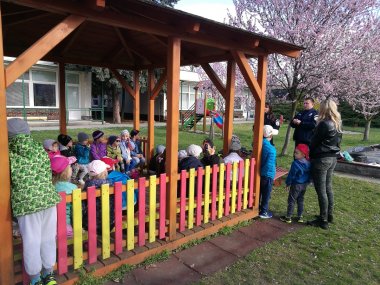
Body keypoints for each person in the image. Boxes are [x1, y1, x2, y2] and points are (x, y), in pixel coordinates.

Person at [7, 118, 61, 285]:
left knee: (32, 240)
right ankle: (49, 274)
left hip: (27, 203)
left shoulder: (7, 153)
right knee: (47, 237)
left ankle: (35, 278)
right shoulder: (39, 149)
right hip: (47, 199)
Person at [307, 99, 342, 230]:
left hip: (322, 158)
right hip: (333, 157)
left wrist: (310, 152)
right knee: (328, 187)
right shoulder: (338, 123)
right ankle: (329, 215)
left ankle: (323, 219)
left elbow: (314, 142)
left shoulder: (324, 124)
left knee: (321, 190)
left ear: (324, 109)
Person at [82, 160, 115, 235]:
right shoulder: (110, 183)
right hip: (110, 222)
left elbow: (83, 205)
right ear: (104, 172)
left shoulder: (88, 185)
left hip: (90, 224)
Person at [280, 144, 311, 224]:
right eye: (295, 152)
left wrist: (288, 183)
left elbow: (291, 175)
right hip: (304, 185)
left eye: (297, 153)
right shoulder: (308, 163)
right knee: (300, 200)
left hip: (296, 185)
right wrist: (308, 182)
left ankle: (288, 217)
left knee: (291, 200)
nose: (294, 154)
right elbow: (310, 174)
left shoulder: (295, 163)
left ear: (303, 154)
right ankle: (300, 216)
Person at [51, 155, 77, 237]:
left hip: (49, 226)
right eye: (70, 167)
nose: (71, 169)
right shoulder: (73, 188)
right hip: (66, 226)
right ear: (66, 172)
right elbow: (75, 211)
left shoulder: (49, 187)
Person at [259, 125, 279, 219]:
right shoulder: (271, 149)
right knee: (266, 194)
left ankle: (257, 207)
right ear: (270, 136)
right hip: (268, 174)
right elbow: (270, 164)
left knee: (259, 191)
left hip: (260, 173)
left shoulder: (259, 144)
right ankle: (263, 211)